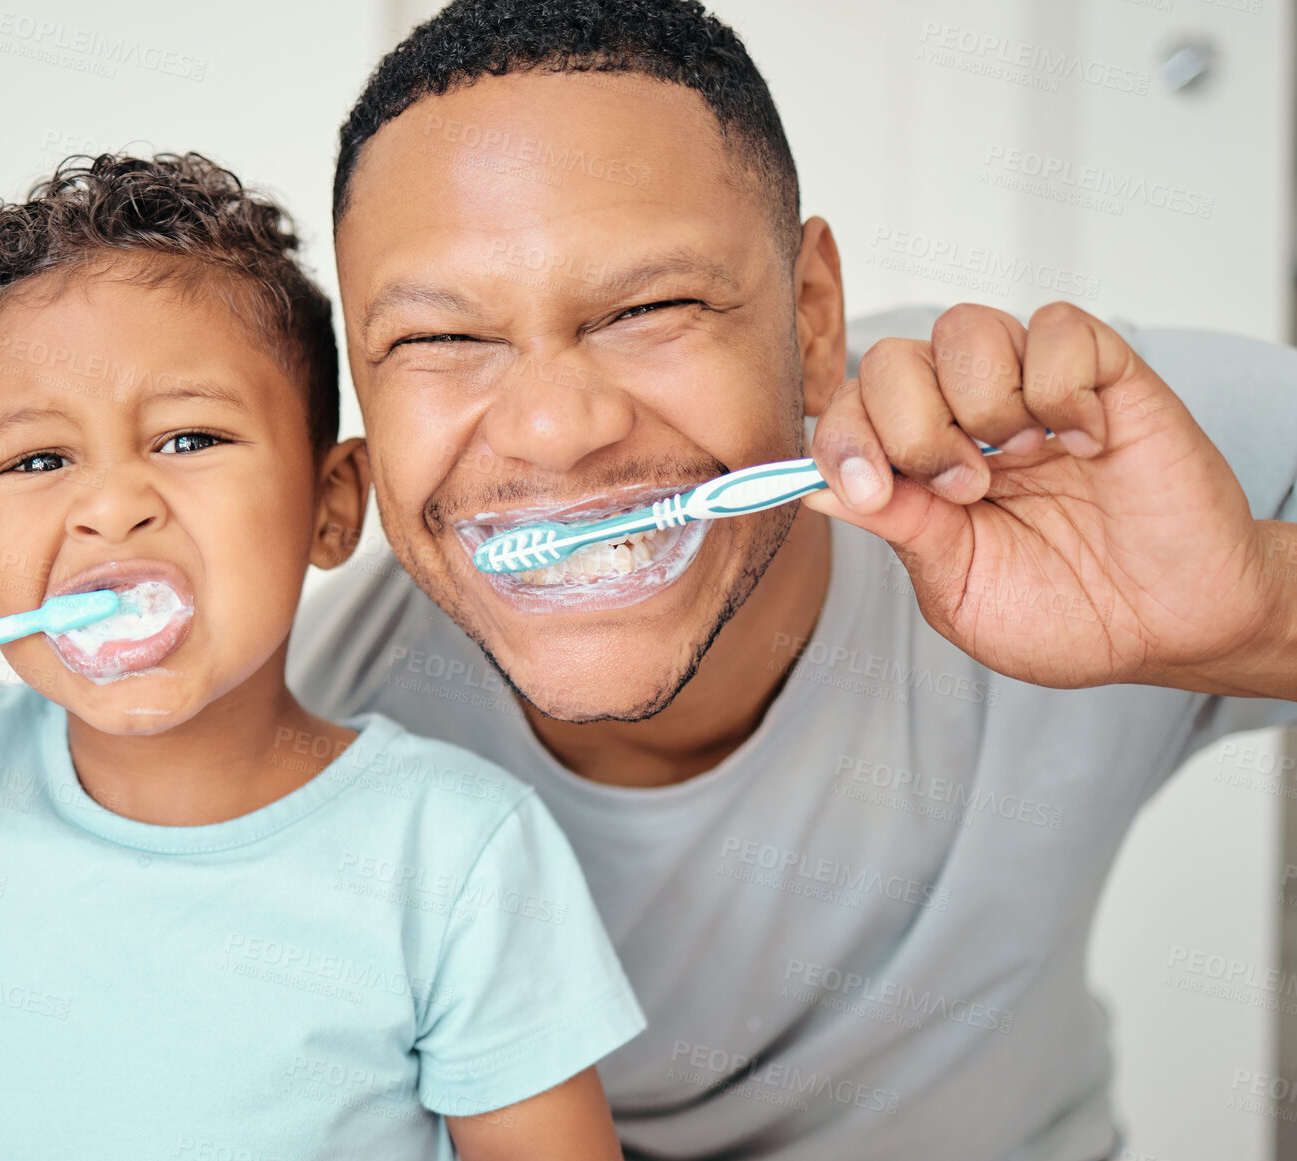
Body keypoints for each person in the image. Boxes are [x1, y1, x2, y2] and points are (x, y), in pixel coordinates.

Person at [287, 1, 1297, 1157]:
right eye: (437, 341)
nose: (558, 429)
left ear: (812, 317)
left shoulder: (1058, 460)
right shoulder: (324, 754)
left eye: (649, 308)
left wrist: (1258, 608)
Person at [0, 153, 646, 1161]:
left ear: (330, 507)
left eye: (189, 439)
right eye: (39, 459)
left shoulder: (453, 856)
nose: (110, 506)